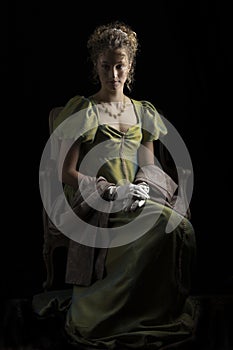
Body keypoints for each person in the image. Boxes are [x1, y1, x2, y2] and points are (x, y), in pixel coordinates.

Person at [35, 20, 200, 349]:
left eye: (120, 66)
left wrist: (140, 188)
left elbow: (150, 165)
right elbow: (67, 172)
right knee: (156, 231)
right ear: (96, 65)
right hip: (100, 202)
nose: (113, 74)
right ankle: (108, 314)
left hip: (135, 198)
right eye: (106, 66)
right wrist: (111, 191)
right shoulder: (86, 109)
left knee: (178, 226)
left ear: (130, 66)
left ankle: (156, 311)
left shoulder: (142, 112)